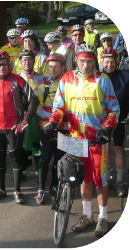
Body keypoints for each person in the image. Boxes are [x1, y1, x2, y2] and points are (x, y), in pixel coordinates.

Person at [46, 44, 120, 237]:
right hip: (76, 139)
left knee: (99, 179)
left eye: (89, 61)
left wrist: (107, 128)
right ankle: (87, 215)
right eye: (82, 61)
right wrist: (53, 121)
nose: (85, 65)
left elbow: (113, 108)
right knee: (83, 177)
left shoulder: (102, 80)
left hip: (97, 139)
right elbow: (59, 106)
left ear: (93, 61)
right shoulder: (67, 78)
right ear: (76, 60)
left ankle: (103, 217)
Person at [0, 51, 40, 203]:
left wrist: (24, 122)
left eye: (4, 64)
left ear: (9, 64)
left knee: (16, 159)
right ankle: (1, 189)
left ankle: (17, 191)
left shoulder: (18, 80)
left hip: (15, 128)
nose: (2, 67)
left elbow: (34, 100)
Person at [34, 53, 67, 205]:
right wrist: (50, 119)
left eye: (56, 67)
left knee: (59, 160)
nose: (52, 70)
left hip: (63, 129)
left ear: (63, 68)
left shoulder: (68, 85)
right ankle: (41, 189)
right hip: (46, 129)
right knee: (45, 158)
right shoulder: (43, 86)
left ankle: (54, 185)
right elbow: (36, 108)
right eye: (50, 67)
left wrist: (60, 119)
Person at [100, 48, 129, 197]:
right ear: (101, 62)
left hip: (120, 119)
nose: (109, 65)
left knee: (118, 150)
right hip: (103, 121)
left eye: (112, 62)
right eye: (107, 62)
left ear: (116, 62)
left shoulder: (124, 76)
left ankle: (120, 181)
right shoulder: (98, 77)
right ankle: (108, 178)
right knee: (105, 150)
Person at [18, 49, 45, 180]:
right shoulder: (17, 78)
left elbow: (44, 97)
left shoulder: (41, 78)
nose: (27, 63)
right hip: (22, 115)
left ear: (34, 61)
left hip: (38, 115)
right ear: (20, 62)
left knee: (36, 145)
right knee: (22, 145)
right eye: (24, 60)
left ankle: (37, 170)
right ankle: (22, 170)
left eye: (29, 60)